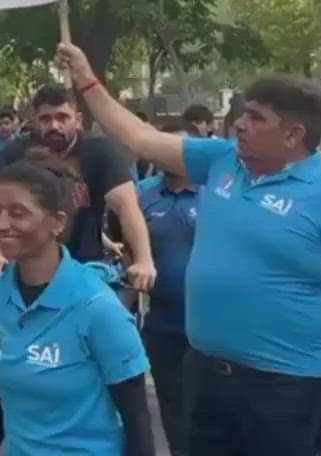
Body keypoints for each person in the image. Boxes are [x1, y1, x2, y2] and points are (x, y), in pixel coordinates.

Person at [56, 43, 321, 456]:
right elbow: (140, 137)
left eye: (256, 118)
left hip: (284, 389)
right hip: (205, 374)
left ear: (293, 134)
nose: (239, 124)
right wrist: (86, 80)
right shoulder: (223, 162)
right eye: (243, 113)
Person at [0, 157, 154, 456]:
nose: (0, 224)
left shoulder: (97, 307)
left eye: (18, 213)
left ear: (57, 223)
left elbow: (137, 419)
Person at [0, 86, 156, 294]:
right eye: (45, 119)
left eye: (63, 117)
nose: (55, 125)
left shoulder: (100, 151)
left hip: (85, 267)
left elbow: (127, 207)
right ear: (34, 121)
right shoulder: (15, 151)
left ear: (78, 119)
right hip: (24, 267)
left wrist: (144, 259)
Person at [135, 118, 198, 456]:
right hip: (163, 325)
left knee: (211, 417)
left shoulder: (218, 194)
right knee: (173, 414)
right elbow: (126, 250)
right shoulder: (142, 196)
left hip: (213, 329)